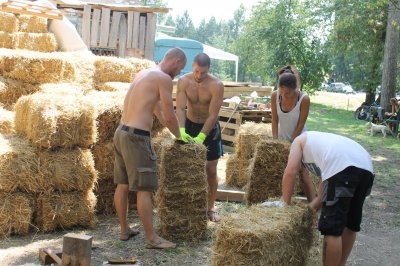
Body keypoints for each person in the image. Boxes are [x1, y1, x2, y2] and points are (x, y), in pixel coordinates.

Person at [113, 48, 189, 249]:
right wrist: (180, 137)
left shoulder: (144, 73)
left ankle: (124, 230)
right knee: (144, 188)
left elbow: (155, 110)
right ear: (176, 60)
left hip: (121, 132)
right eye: (180, 69)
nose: (178, 73)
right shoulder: (163, 78)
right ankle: (152, 238)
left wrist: (167, 125)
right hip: (137, 138)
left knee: (123, 184)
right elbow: (170, 114)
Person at [281, 131, 374, 266]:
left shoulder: (297, 141)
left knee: (332, 227)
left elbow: (290, 172)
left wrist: (285, 204)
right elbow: (322, 192)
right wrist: (308, 212)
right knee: (350, 224)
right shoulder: (323, 147)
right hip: (366, 167)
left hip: (343, 166)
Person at [176, 53, 224, 222]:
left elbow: (213, 114)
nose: (199, 76)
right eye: (196, 71)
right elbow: (180, 109)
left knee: (210, 170)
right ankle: (187, 205)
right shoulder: (183, 81)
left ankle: (211, 207)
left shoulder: (216, 85)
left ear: (208, 69)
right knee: (186, 168)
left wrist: (202, 136)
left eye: (203, 72)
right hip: (189, 125)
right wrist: (181, 131)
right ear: (192, 66)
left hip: (209, 129)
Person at [271, 65, 315, 202]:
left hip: (300, 140)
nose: (283, 96)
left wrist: (291, 144)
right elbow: (274, 119)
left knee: (303, 174)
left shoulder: (304, 99)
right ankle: (282, 201)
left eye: (287, 94)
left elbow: (301, 124)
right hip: (283, 140)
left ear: (295, 89)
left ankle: (313, 206)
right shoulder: (275, 95)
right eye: (281, 92)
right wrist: (275, 141)